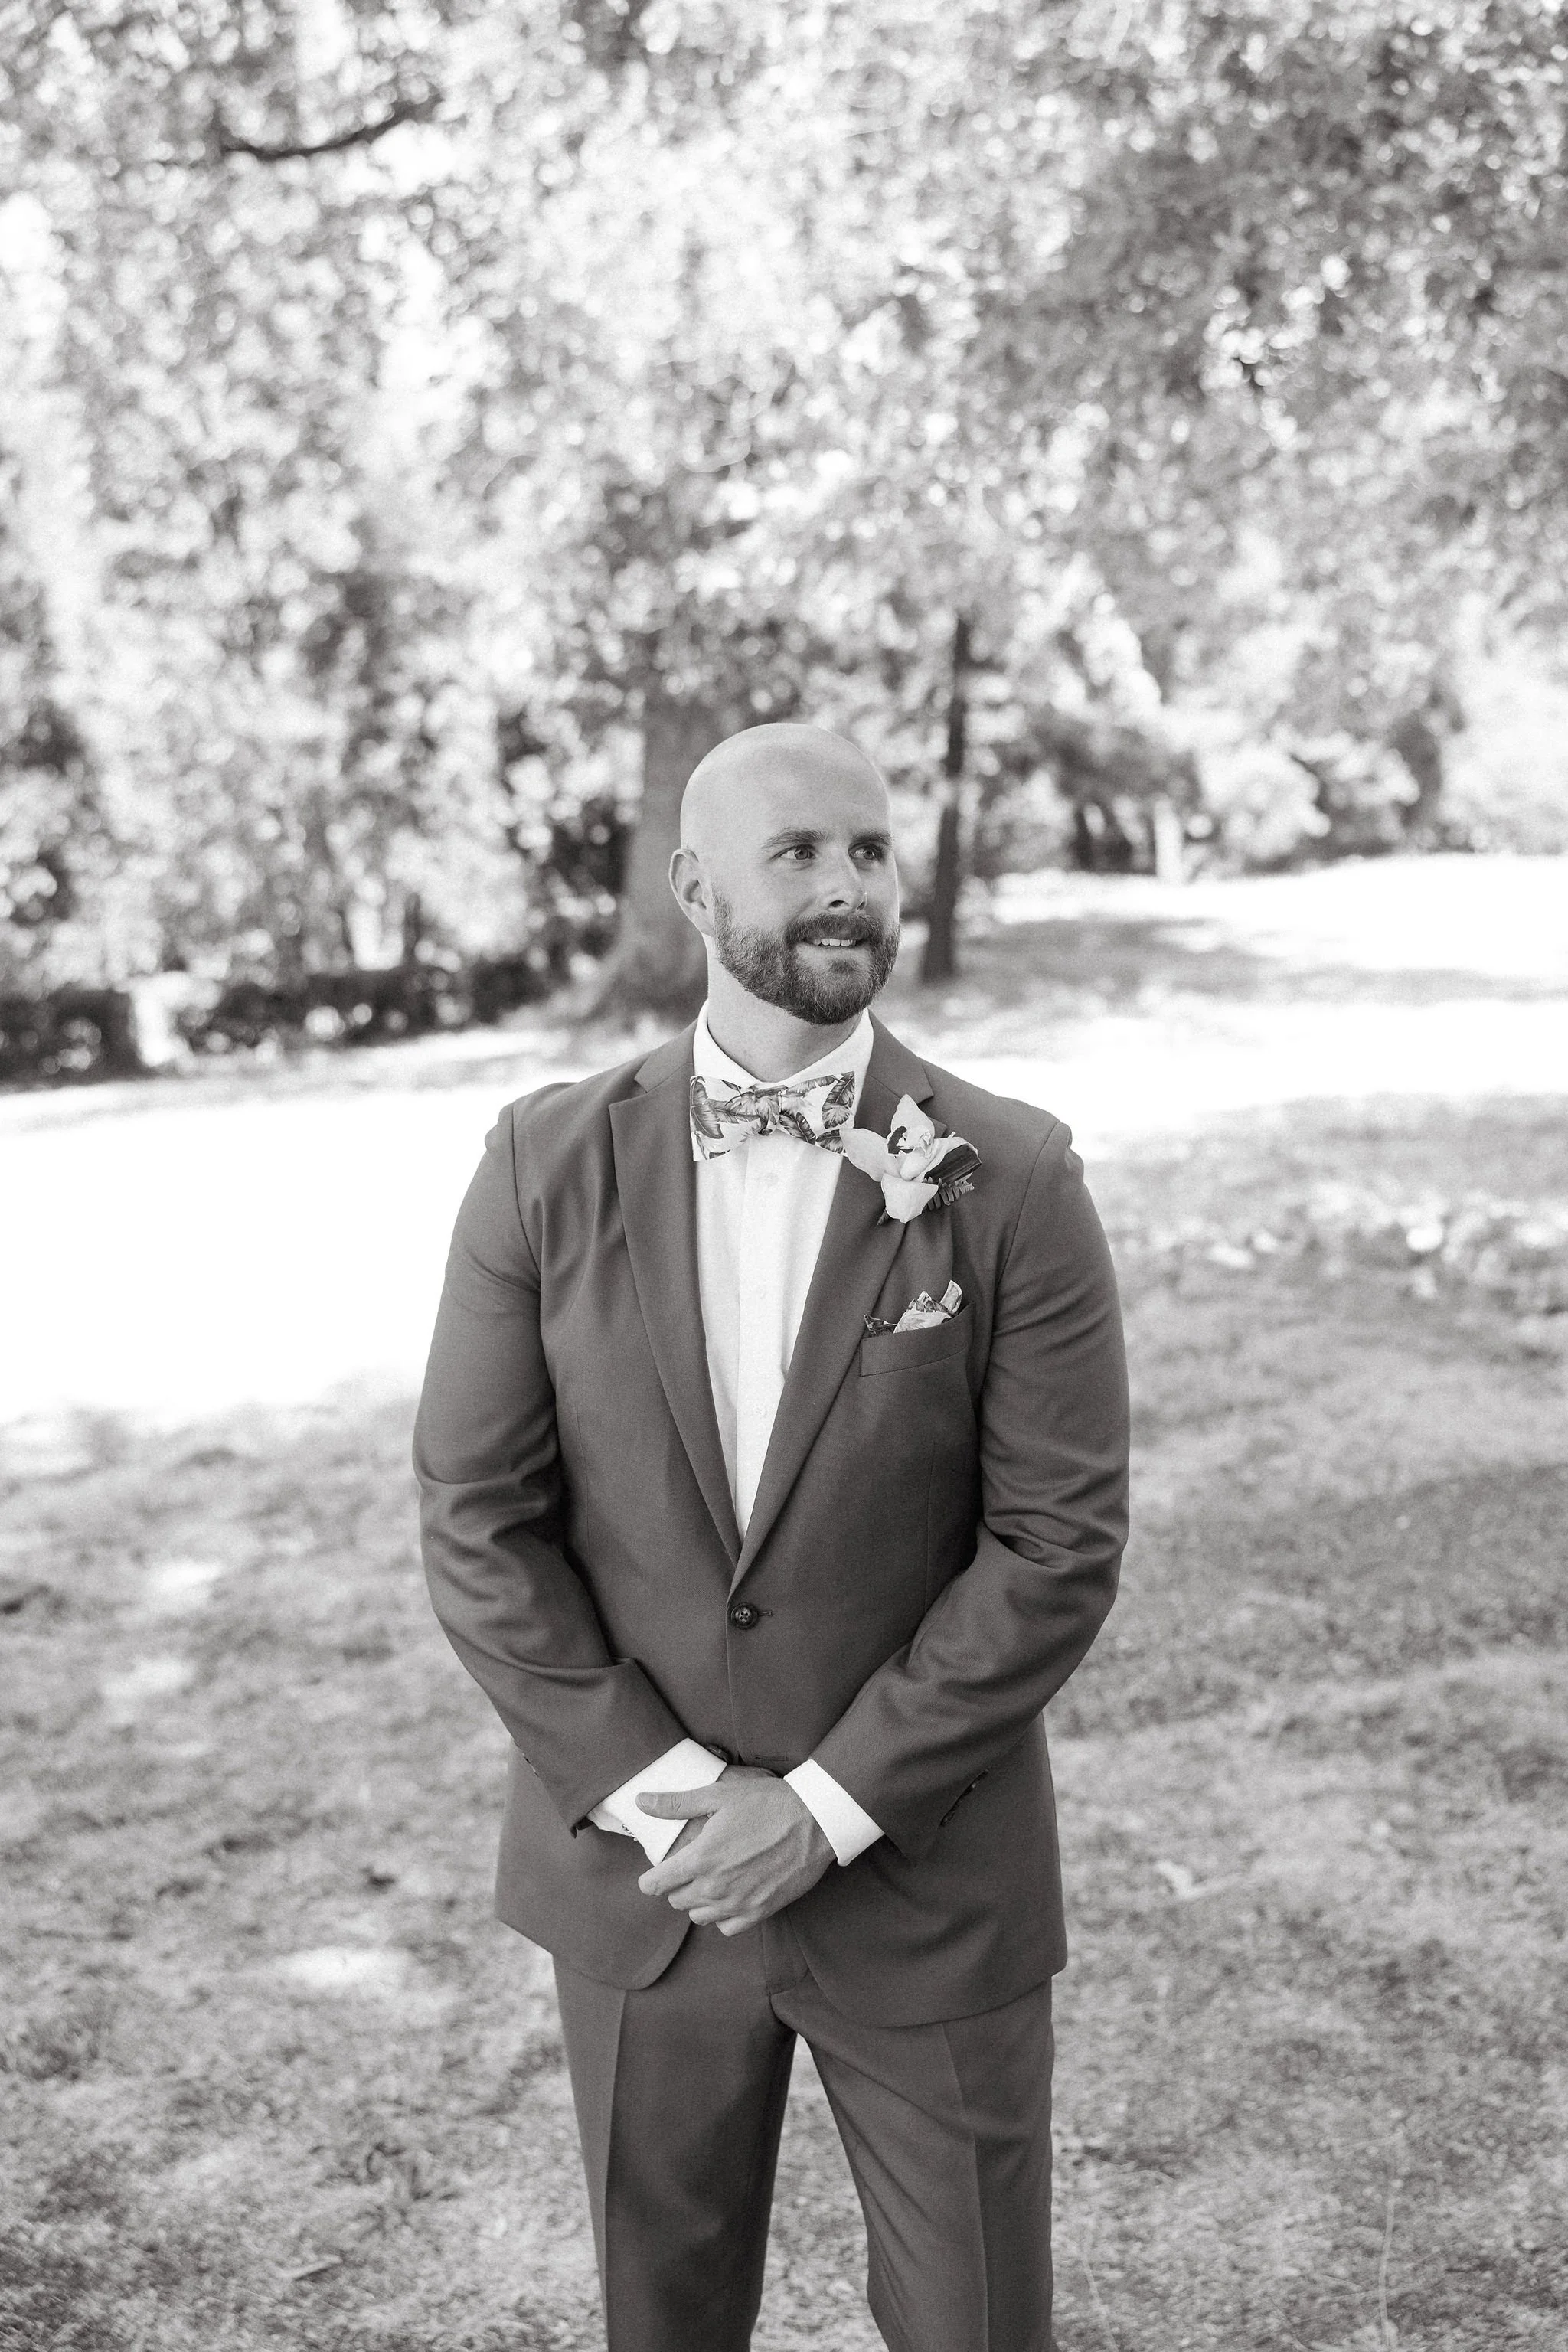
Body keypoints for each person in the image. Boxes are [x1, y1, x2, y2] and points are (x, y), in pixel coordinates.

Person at [414, 722, 1129, 2352]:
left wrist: (821, 1807)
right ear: (690, 890)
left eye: (868, 852)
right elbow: (477, 1517)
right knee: (661, 2322)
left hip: (927, 1881)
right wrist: (676, 1804)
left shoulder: (1010, 1172)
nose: (843, 887)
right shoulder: (541, 1163)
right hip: (640, 1892)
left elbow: (1055, 1543)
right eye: (795, 853)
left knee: (978, 2329)